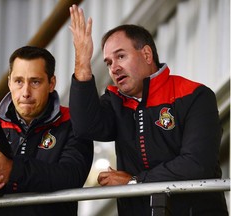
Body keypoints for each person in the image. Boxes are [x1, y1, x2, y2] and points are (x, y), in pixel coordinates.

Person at [68, 5, 228, 216]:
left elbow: (197, 163)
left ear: (146, 54)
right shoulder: (115, 101)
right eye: (108, 62)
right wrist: (82, 61)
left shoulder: (195, 95)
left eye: (121, 56)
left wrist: (134, 182)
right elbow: (84, 126)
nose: (113, 68)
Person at [0, 46, 94, 216]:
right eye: (19, 81)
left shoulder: (72, 122)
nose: (25, 92)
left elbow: (72, 176)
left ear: (51, 83)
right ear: (9, 83)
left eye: (35, 82)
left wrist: (13, 170)